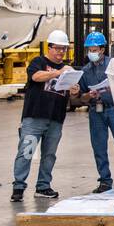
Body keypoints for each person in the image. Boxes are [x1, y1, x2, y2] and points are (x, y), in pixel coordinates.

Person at [10, 29, 72, 202]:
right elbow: (36, 77)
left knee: (49, 154)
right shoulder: (38, 62)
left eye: (64, 49)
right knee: (26, 151)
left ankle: (43, 186)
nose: (61, 52)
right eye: (58, 48)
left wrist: (74, 88)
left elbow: (72, 93)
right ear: (49, 48)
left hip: (55, 119)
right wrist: (58, 73)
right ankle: (19, 186)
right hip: (34, 117)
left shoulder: (68, 69)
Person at [74, 31, 114, 194]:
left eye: (94, 49)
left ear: (102, 49)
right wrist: (88, 96)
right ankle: (104, 180)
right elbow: (80, 97)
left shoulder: (113, 66)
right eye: (89, 49)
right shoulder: (86, 70)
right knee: (99, 146)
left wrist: (113, 88)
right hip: (96, 110)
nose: (91, 53)